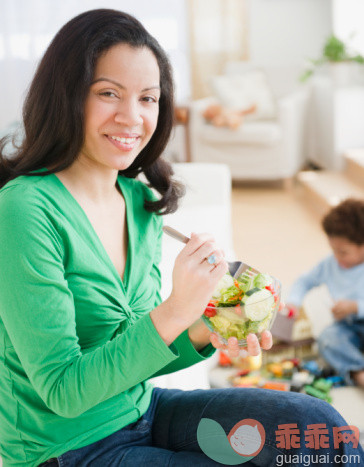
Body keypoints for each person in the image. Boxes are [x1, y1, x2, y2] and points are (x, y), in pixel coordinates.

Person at [0, 9, 362, 467]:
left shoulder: (139, 201)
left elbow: (137, 357)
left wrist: (209, 325)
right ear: (66, 95)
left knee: (321, 432)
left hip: (141, 412)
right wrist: (174, 311)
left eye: (148, 99)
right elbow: (63, 391)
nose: (132, 117)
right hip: (61, 447)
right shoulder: (25, 209)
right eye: (109, 93)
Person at [286, 198, 364, 389]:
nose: (337, 257)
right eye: (334, 250)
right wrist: (293, 302)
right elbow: (304, 281)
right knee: (328, 340)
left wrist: (355, 306)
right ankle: (358, 372)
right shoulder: (330, 264)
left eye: (344, 252)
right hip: (348, 328)